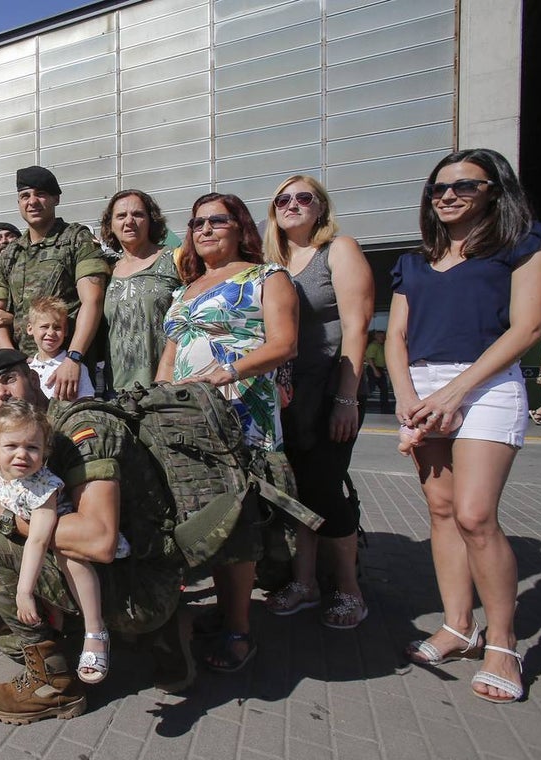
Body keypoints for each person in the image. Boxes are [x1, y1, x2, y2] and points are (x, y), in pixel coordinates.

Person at [388, 148, 541, 704]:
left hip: (488, 383)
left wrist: (455, 392)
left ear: (494, 190)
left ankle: (503, 643)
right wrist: (408, 399)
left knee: (476, 515)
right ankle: (459, 626)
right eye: (438, 188)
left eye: (465, 185)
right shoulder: (414, 262)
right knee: (441, 510)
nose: (448, 195)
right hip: (422, 385)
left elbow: (528, 328)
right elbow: (396, 337)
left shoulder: (522, 243)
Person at [0, 349, 189, 724]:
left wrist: (4, 518)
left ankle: (54, 684)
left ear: (34, 378)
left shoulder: (81, 429)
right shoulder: (31, 436)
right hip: (135, 569)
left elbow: (99, 541)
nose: (2, 392)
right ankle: (112, 633)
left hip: (141, 585)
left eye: (9, 379)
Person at [154, 192, 299, 674]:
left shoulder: (267, 277)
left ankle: (239, 629)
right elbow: (171, 355)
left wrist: (230, 371)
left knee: (237, 517)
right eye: (197, 223)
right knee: (204, 511)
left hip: (241, 408)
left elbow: (284, 343)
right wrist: (159, 399)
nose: (205, 229)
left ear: (240, 227)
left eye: (217, 220)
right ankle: (222, 609)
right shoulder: (186, 288)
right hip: (188, 414)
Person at [261, 175, 375, 629]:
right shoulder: (271, 263)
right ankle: (305, 582)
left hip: (330, 388)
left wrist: (347, 397)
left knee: (324, 488)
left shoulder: (338, 250)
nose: (292, 204)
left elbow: (357, 327)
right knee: (296, 490)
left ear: (321, 207)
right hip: (287, 395)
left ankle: (350, 589)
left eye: (303, 197)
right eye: (282, 199)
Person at [0, 400, 110, 684]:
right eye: (12, 446)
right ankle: (54, 621)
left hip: (59, 535)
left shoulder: (43, 487)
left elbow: (38, 540)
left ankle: (95, 630)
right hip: (27, 531)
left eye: (32, 448)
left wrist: (24, 592)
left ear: (44, 451)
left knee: (70, 557)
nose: (22, 454)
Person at [0, 165, 109, 401]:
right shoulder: (11, 253)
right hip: (24, 372)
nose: (32, 201)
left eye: (40, 194)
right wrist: (15, 361)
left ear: (56, 198)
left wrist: (74, 357)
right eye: (25, 196)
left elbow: (92, 300)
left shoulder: (75, 239)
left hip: (68, 368)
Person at [99, 189, 181, 393]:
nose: (129, 221)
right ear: (110, 225)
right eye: (121, 216)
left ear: (151, 220)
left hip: (167, 387)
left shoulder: (176, 259)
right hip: (118, 391)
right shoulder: (106, 271)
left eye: (137, 214)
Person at [26, 297, 94, 401]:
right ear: (30, 329)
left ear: (65, 330)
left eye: (57, 327)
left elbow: (86, 402)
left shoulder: (76, 369)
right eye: (44, 327)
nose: (51, 333)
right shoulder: (26, 369)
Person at [364, 330, 391, 414]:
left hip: (380, 369)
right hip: (374, 368)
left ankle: (385, 408)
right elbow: (369, 358)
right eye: (380, 336)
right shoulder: (373, 346)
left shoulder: (381, 346)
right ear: (376, 337)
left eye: (383, 337)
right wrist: (375, 370)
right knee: (371, 388)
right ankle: (361, 405)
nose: (382, 338)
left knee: (384, 389)